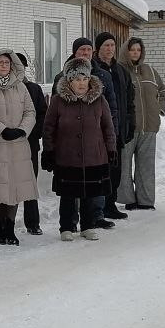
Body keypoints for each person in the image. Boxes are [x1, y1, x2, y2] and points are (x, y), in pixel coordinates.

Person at [42, 58, 115, 241]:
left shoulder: (100, 100)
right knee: (68, 195)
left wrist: (111, 150)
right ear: (69, 81)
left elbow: (108, 128)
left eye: (84, 79)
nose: (81, 83)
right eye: (77, 79)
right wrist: (49, 151)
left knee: (90, 194)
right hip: (66, 156)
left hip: (94, 156)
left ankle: (87, 226)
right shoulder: (58, 102)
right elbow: (48, 128)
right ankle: (66, 226)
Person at [54, 38, 119, 228]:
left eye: (89, 50)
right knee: (71, 186)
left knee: (95, 182)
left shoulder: (102, 75)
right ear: (75, 52)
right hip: (70, 143)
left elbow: (111, 106)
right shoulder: (63, 76)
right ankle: (70, 221)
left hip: (95, 140)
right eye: (82, 49)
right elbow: (55, 116)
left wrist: (111, 134)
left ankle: (95, 217)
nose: (86, 53)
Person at [0, 48, 37, 246]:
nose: (4, 66)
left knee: (16, 187)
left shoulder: (21, 88)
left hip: (18, 145)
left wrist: (22, 130)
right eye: (0, 62)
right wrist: (2, 129)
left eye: (7, 62)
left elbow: (30, 112)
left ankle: (10, 227)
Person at [119, 38, 165, 210]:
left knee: (146, 166)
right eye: (132, 50)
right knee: (125, 165)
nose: (135, 53)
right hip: (129, 127)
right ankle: (128, 199)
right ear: (126, 51)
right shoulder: (120, 70)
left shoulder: (150, 71)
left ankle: (146, 200)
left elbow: (163, 90)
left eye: (138, 50)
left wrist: (159, 109)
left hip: (149, 127)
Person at [93, 32, 135, 217]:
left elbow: (130, 100)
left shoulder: (121, 71)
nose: (110, 49)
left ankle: (111, 204)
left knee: (116, 168)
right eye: (106, 46)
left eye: (112, 45)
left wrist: (130, 123)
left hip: (118, 127)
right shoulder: (94, 70)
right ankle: (98, 208)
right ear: (98, 49)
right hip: (99, 127)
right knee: (102, 168)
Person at [14, 53, 47, 235]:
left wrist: (30, 132)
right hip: (8, 144)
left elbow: (42, 115)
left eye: (20, 66)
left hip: (29, 144)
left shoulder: (33, 89)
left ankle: (33, 222)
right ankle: (3, 220)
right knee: (8, 184)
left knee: (29, 183)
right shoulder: (2, 89)